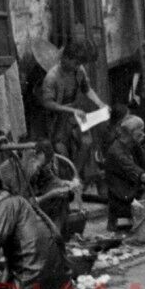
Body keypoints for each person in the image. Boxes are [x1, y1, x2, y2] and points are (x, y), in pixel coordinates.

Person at [36, 39, 106, 186]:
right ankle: (67, 182)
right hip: (58, 117)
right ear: (65, 58)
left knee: (87, 142)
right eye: (75, 63)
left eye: (79, 63)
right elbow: (47, 103)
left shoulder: (79, 70)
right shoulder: (52, 76)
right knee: (61, 150)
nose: (78, 66)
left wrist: (99, 103)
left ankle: (75, 177)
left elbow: (87, 88)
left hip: (75, 115)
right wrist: (71, 109)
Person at [0, 139, 83, 238]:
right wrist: (49, 195)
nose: (39, 170)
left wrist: (66, 183)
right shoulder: (13, 169)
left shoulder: (40, 162)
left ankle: (57, 237)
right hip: (15, 212)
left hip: (33, 202)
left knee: (63, 196)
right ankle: (49, 238)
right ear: (32, 158)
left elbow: (49, 179)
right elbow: (22, 204)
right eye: (39, 167)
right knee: (54, 197)